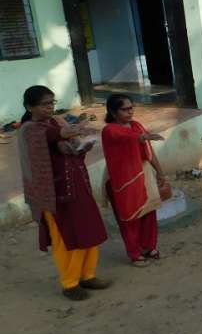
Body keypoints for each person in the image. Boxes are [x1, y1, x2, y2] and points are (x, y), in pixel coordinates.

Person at [17, 85, 109, 300]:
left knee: (88, 230)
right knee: (66, 238)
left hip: (76, 184)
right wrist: (71, 130)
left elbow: (67, 143)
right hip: (53, 192)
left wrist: (80, 148)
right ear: (30, 107)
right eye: (45, 104)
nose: (50, 108)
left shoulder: (55, 122)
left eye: (52, 103)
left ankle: (88, 275)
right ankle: (70, 283)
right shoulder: (29, 130)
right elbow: (52, 136)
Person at [102, 94, 167, 266]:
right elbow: (122, 137)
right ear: (113, 112)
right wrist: (140, 137)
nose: (130, 112)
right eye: (125, 109)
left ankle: (149, 246)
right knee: (130, 216)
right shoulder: (109, 130)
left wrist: (160, 173)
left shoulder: (137, 125)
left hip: (143, 171)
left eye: (131, 108)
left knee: (149, 209)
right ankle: (135, 252)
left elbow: (149, 151)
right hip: (123, 177)